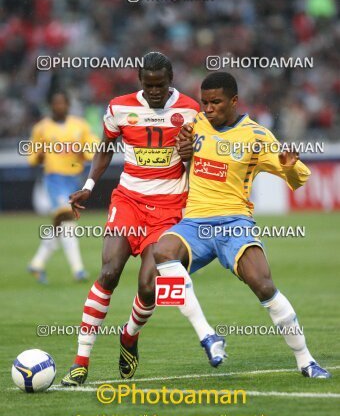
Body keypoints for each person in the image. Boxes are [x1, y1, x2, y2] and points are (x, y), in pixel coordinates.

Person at [61, 52, 226, 387]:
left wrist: (190, 157)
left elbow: (204, 156)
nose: (154, 92)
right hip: (129, 202)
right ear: (140, 81)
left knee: (151, 288)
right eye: (148, 85)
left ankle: (129, 335)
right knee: (108, 273)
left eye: (160, 86)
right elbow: (106, 146)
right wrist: (89, 186)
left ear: (171, 80)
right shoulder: (119, 107)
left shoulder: (191, 110)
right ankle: (80, 362)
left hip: (169, 208)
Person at [154, 71, 331, 379]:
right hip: (195, 221)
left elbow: (300, 176)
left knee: (263, 285)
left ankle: (306, 360)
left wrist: (289, 167)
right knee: (160, 257)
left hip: (235, 222)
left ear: (234, 101)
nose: (208, 109)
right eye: (204, 102)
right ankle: (208, 336)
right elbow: (181, 160)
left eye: (216, 103)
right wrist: (182, 154)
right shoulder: (195, 125)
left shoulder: (256, 136)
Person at [27, 90, 98, 284]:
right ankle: (78, 270)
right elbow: (32, 157)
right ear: (51, 106)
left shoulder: (80, 126)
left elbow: (93, 149)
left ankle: (37, 263)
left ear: (68, 105)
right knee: (67, 221)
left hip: (74, 181)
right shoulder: (42, 128)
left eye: (62, 103)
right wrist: (39, 155)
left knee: (60, 225)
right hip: (54, 180)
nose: (59, 107)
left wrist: (88, 152)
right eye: (56, 103)